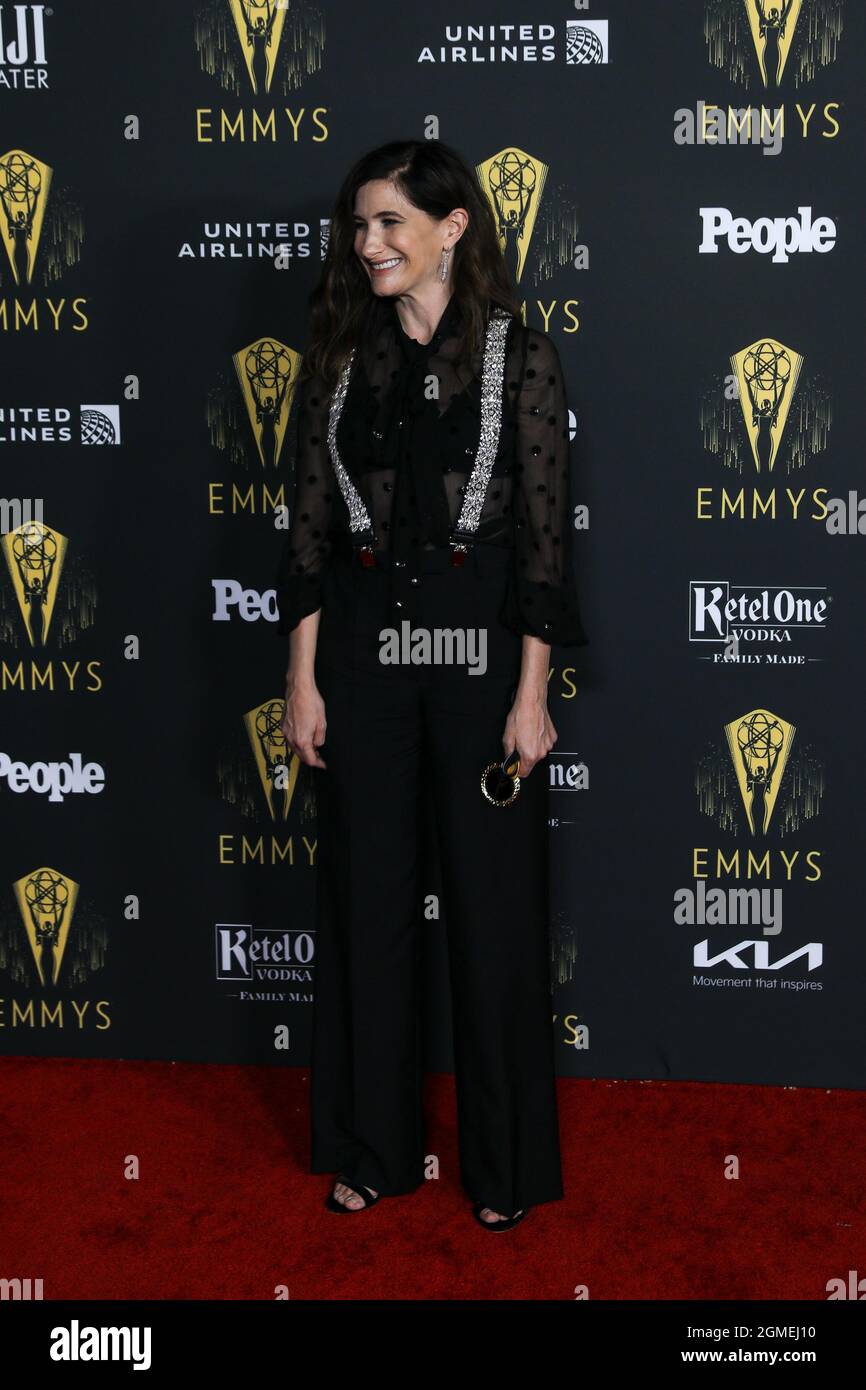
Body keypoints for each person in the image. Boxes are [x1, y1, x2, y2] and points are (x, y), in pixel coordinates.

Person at [275, 138, 588, 1231]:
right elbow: (306, 536)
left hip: (479, 653)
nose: (367, 245)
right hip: (360, 651)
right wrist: (301, 683)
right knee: (367, 908)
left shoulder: (520, 355)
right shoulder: (335, 357)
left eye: (389, 224)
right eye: (358, 227)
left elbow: (544, 545)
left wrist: (530, 693)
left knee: (494, 918)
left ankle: (501, 1169)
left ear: (450, 227)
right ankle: (374, 1147)